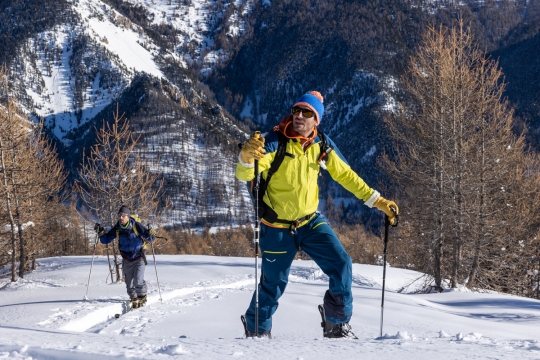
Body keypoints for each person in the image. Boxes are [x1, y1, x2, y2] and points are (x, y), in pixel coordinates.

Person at [236, 91, 398, 339]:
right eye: (296, 110)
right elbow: (246, 175)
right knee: (273, 285)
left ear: (316, 120)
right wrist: (246, 157)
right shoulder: (272, 142)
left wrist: (378, 201)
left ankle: (336, 324)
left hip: (310, 222)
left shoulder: (320, 144)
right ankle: (257, 332)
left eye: (307, 112)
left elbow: (346, 175)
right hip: (276, 227)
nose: (299, 116)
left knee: (341, 263)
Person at [95, 205, 157, 308]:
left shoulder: (136, 225)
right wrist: (101, 233)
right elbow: (105, 240)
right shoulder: (117, 228)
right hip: (126, 258)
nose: (120, 217)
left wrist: (152, 234)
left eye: (123, 215)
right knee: (129, 283)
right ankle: (133, 298)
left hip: (139, 256)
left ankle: (142, 297)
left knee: (138, 280)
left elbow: (150, 238)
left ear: (128, 216)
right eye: (119, 215)